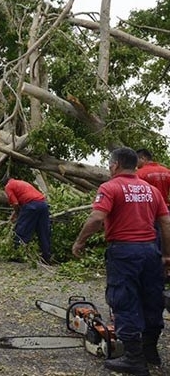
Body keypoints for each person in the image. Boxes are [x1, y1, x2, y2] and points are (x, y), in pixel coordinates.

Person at [72, 147, 170, 375]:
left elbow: (97, 217)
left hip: (124, 252)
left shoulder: (110, 187)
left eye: (109, 164)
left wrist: (80, 242)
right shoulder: (151, 190)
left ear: (115, 165)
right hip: (150, 251)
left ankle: (134, 359)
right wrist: (166, 254)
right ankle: (150, 352)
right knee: (151, 299)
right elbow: (165, 223)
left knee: (124, 300)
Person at [2, 176, 52, 264]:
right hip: (43, 205)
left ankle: (17, 254)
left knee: (22, 229)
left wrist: (18, 214)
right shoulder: (21, 182)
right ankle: (46, 257)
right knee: (43, 231)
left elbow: (15, 203)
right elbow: (22, 201)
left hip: (31, 206)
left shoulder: (8, 186)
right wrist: (14, 214)